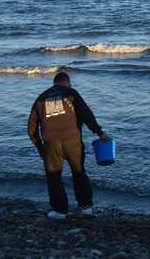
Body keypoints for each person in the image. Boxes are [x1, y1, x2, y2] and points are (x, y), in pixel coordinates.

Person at [28, 72, 108, 219]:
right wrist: (99, 132)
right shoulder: (71, 93)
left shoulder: (40, 98)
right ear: (67, 82)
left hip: (51, 144)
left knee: (54, 177)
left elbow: (31, 128)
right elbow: (86, 114)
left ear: (54, 83)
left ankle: (59, 211)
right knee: (79, 172)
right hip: (73, 141)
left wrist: (40, 148)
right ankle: (85, 207)